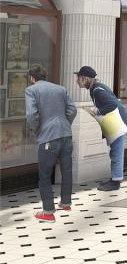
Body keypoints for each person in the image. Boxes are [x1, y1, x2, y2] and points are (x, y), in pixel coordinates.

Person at [25, 64, 77, 222]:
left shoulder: (31, 90)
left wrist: (37, 130)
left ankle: (48, 212)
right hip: (66, 134)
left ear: (32, 78)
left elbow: (31, 115)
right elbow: (72, 110)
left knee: (45, 175)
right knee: (67, 170)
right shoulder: (61, 89)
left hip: (48, 137)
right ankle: (66, 203)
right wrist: (64, 124)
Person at [75, 65, 127, 191]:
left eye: (78, 78)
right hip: (118, 121)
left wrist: (98, 111)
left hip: (118, 122)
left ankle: (115, 182)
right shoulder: (96, 88)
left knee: (116, 151)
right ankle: (114, 179)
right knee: (115, 151)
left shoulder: (97, 90)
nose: (77, 81)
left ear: (85, 78)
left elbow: (112, 104)